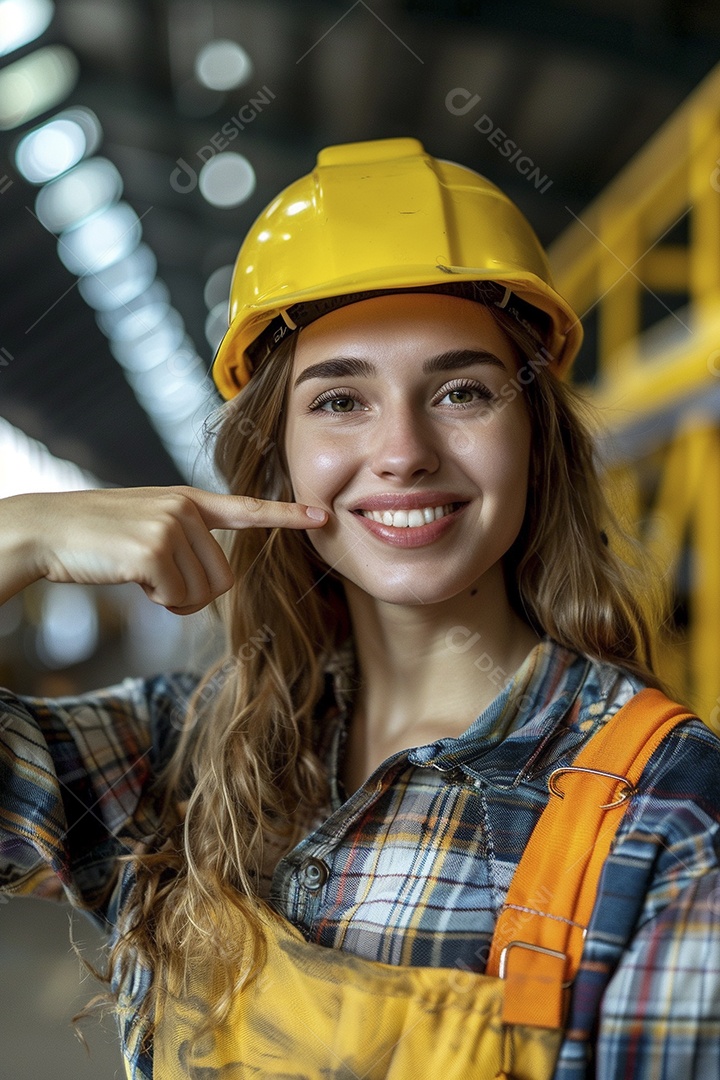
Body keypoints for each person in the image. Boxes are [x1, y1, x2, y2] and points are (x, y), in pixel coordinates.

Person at [1, 137, 719, 1080]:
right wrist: (19, 538)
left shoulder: (669, 818)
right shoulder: (186, 751)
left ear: (535, 440)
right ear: (278, 454)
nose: (403, 451)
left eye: (462, 391)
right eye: (340, 400)